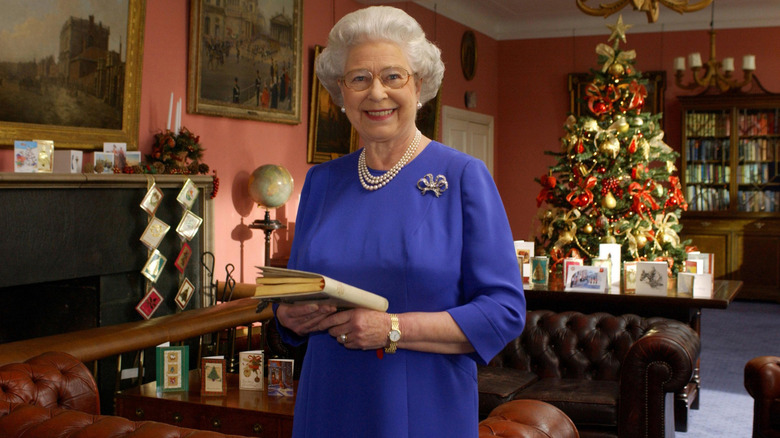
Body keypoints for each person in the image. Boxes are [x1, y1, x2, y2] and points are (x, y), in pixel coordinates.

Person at [274, 6, 526, 437]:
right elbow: (298, 289)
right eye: (359, 78)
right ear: (341, 92)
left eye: (393, 76)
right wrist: (288, 316)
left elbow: (502, 313)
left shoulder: (463, 177)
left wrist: (390, 329)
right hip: (326, 403)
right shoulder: (321, 182)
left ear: (420, 85)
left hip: (421, 408)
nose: (376, 93)